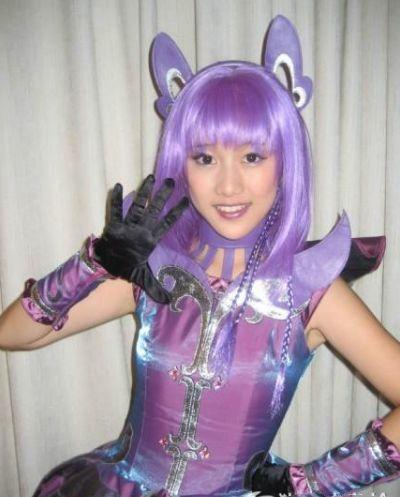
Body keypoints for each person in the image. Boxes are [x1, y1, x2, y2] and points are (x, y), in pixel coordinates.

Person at [0, 14, 400, 497]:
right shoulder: (154, 271)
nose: (228, 185)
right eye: (205, 158)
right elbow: (13, 334)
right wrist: (95, 263)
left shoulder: (310, 293)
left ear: (285, 163)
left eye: (252, 156)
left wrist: (313, 482)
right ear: (181, 163)